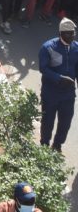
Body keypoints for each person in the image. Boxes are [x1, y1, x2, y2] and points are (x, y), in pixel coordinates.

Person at [38, 17, 78, 152]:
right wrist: (59, 78)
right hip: (51, 93)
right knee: (48, 121)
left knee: (65, 122)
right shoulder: (48, 47)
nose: (71, 36)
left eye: (73, 33)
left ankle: (57, 144)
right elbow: (43, 68)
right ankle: (44, 144)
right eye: (68, 33)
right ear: (60, 33)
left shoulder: (76, 48)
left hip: (68, 94)